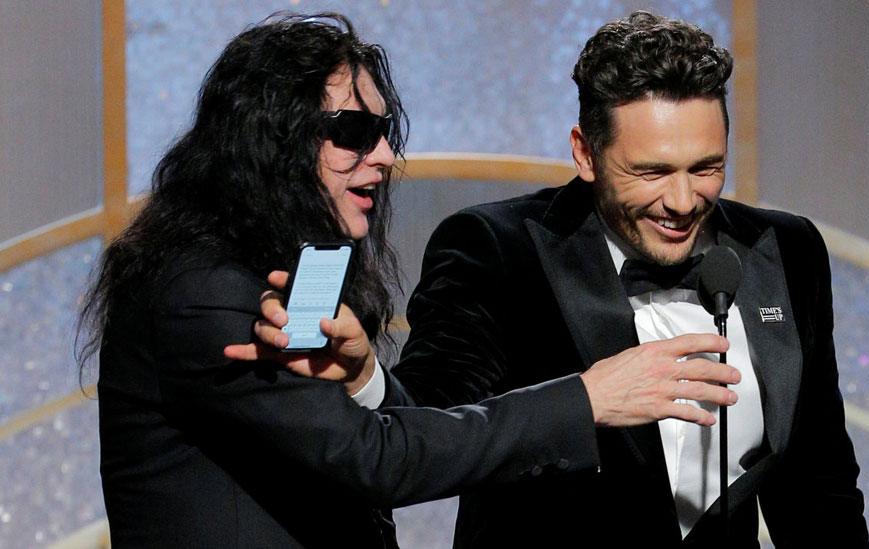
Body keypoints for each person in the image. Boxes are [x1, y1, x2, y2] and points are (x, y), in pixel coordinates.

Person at [77, 13, 743, 548]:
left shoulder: (288, 269)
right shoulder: (205, 291)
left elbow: (366, 445)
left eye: (385, 131)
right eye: (354, 132)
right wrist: (587, 398)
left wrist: (367, 379)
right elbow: (379, 462)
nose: (386, 156)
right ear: (271, 139)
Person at [247, 10, 869, 548]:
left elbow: (819, 482)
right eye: (651, 172)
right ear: (584, 153)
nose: (683, 199)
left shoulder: (784, 249)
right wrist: (363, 378)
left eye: (706, 167)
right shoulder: (497, 250)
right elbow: (431, 422)